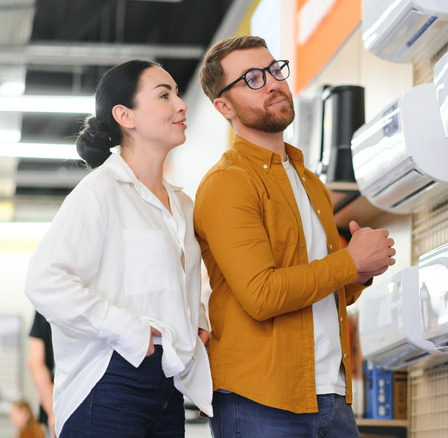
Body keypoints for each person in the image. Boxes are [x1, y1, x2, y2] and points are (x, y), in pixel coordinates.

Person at [195, 35, 396, 437]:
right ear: (224, 106)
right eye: (252, 78)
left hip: (332, 397)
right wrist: (349, 261)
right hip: (261, 401)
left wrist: (358, 274)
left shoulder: (309, 182)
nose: (272, 82)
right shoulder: (227, 183)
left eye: (274, 70)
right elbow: (262, 294)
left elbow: (321, 287)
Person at [24, 59, 213, 437]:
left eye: (177, 93)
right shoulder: (100, 191)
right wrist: (131, 332)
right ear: (125, 115)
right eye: (164, 95)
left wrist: (199, 324)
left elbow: (187, 285)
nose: (181, 104)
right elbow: (44, 282)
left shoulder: (183, 204)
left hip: (168, 385)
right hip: (107, 382)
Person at [27, 311, 55, 437]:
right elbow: (35, 363)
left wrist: (52, 412)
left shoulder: (47, 296)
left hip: (56, 404)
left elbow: (35, 362)